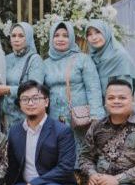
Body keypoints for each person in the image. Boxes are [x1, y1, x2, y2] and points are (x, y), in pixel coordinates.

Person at [0, 80, 78, 185]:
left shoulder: (62, 130)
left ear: (46, 102)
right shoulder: (15, 131)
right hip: (25, 184)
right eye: (25, 99)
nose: (30, 103)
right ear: (20, 104)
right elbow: (13, 167)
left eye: (35, 98)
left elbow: (65, 168)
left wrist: (34, 184)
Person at [42, 21, 105, 149]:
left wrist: (96, 116)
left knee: (80, 151)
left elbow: (93, 89)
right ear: (51, 38)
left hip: (79, 118)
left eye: (65, 35)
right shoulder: (45, 63)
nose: (60, 39)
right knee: (59, 150)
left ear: (71, 38)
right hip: (55, 117)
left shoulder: (82, 59)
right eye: (56, 35)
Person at [0, 22, 44, 130]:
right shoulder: (6, 59)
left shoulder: (35, 60)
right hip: (6, 116)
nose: (16, 39)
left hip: (25, 115)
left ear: (29, 37)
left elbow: (35, 88)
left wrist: (8, 90)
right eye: (13, 36)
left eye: (21, 36)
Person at [85, 20, 135, 96]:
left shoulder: (119, 57)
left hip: (116, 101)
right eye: (89, 34)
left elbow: (124, 92)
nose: (94, 37)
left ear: (106, 32)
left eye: (98, 32)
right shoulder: (89, 58)